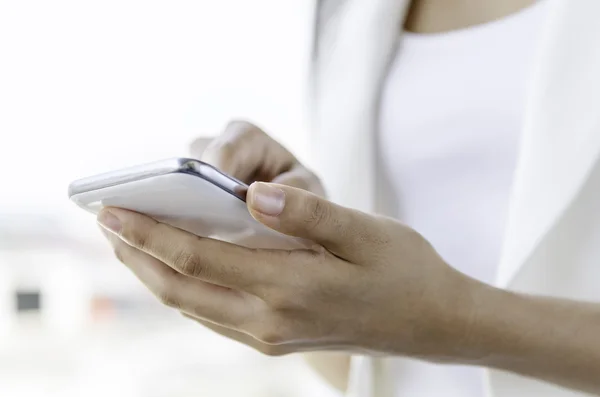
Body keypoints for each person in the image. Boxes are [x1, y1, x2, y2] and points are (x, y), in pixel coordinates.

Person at [96, 0, 600, 396]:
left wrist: (455, 319)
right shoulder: (348, 11)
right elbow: (370, 364)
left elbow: (418, 324)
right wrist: (297, 250)